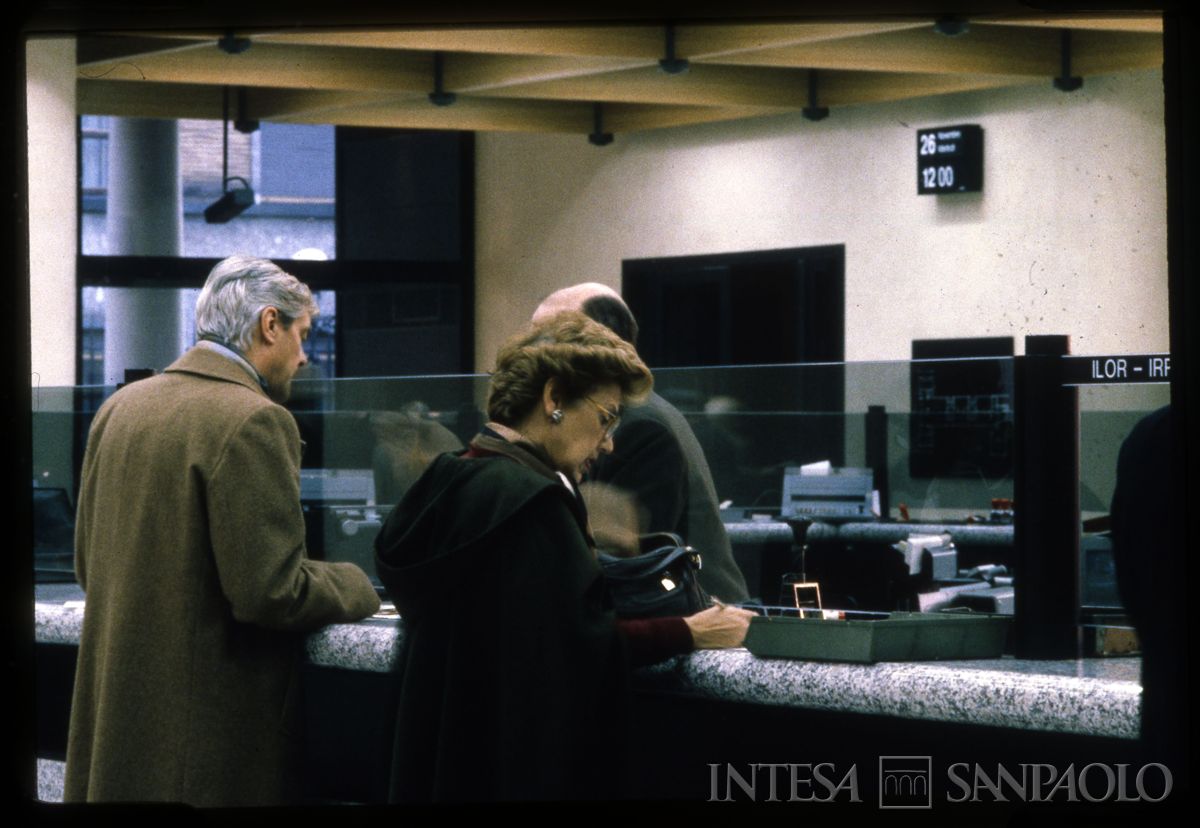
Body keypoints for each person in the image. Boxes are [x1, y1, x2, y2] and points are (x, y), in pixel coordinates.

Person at [374, 311, 754, 802]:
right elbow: (571, 645)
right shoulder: (532, 503)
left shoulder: (451, 479)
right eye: (605, 417)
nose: (609, 442)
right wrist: (690, 631)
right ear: (554, 398)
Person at [64, 255, 381, 806]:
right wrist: (358, 583)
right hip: (205, 753)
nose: (305, 357)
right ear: (269, 324)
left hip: (121, 733)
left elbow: (88, 567)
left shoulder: (119, 409)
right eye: (303, 335)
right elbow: (271, 591)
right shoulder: (255, 418)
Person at [533, 283, 751, 603]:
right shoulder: (627, 415)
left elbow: (624, 574)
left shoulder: (638, 426)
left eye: (549, 340)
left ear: (599, 344)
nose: (530, 353)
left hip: (700, 620)